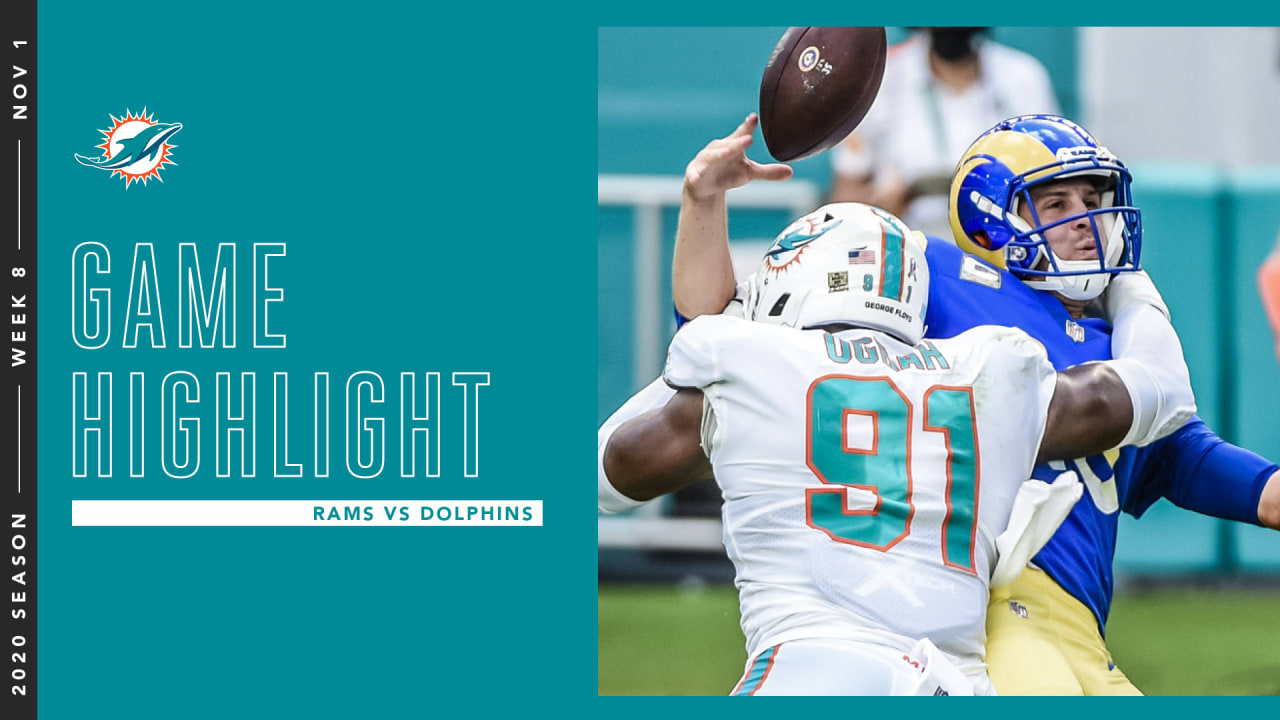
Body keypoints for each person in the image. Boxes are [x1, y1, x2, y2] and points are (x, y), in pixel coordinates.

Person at [661, 113, 1280, 694]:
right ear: (991, 221)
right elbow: (720, 325)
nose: (1086, 220)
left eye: (1094, 202)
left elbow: (1193, 460)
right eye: (1058, 203)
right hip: (983, 611)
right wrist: (702, 202)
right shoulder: (942, 278)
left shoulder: (1114, 341)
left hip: (1082, 631)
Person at [600, 201, 1188, 696]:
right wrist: (1131, 286)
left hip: (811, 672)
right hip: (955, 684)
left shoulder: (750, 362)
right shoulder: (989, 367)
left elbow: (605, 475)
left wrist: (727, 326)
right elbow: (1163, 389)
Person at [829, 28, 1059, 240]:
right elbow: (845, 201)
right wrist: (879, 208)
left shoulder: (1023, 77)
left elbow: (1053, 186)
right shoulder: (880, 77)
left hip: (1003, 248)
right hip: (907, 250)